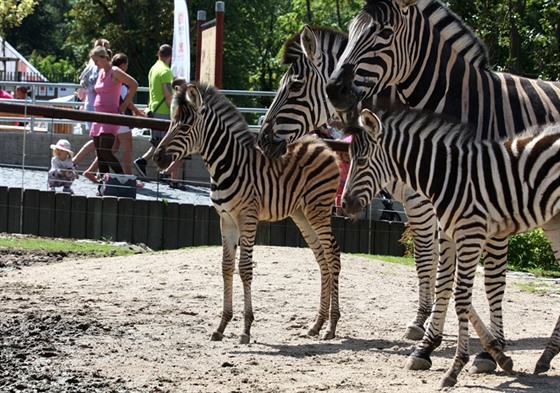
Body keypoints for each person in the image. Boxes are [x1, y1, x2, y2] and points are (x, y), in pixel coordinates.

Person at [89, 45, 138, 175]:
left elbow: (134, 84)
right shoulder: (100, 72)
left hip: (110, 115)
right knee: (99, 151)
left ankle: (121, 178)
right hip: (98, 115)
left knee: (105, 150)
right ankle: (103, 183)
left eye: (96, 61)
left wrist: (125, 104)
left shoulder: (115, 71)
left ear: (104, 58)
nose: (95, 64)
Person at [133, 44, 176, 181]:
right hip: (163, 112)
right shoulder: (166, 71)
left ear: (158, 54)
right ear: (171, 56)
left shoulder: (154, 68)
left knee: (159, 143)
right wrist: (175, 112)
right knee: (161, 144)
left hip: (154, 109)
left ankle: (159, 170)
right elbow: (168, 95)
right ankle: (144, 162)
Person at [74, 39, 112, 181]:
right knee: (99, 141)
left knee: (100, 141)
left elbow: (82, 88)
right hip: (98, 105)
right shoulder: (100, 66)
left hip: (90, 103)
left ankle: (95, 171)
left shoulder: (90, 65)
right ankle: (75, 163)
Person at [111, 53, 146, 186]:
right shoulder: (120, 80)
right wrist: (137, 113)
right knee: (127, 148)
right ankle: (129, 178)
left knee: (113, 148)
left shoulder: (112, 77)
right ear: (123, 65)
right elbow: (127, 101)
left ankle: (94, 170)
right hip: (121, 118)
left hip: (115, 117)